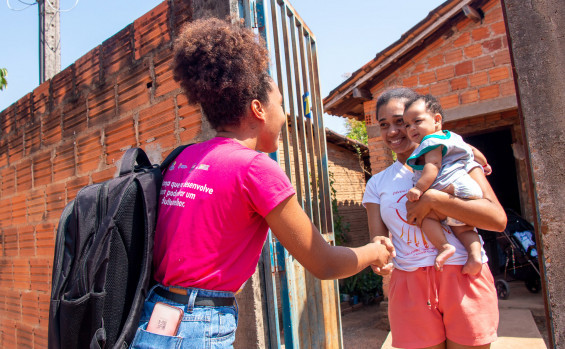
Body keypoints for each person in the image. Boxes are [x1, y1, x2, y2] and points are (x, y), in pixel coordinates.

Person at [130, 18, 393, 348]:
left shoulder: (182, 158)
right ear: (258, 109)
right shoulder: (255, 168)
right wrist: (374, 251)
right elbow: (323, 263)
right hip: (199, 324)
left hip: (155, 316)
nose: (284, 116)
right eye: (280, 105)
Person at [363, 87, 506, 349]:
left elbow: (497, 220)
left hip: (463, 275)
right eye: (385, 125)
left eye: (401, 122)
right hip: (409, 284)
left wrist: (434, 200)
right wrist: (377, 256)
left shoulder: (459, 163)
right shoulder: (377, 183)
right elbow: (379, 236)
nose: (394, 131)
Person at [403, 94, 492, 275]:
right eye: (407, 125)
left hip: (449, 186)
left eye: (417, 121)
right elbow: (473, 151)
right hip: (467, 187)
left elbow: (433, 166)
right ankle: (475, 256)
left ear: (437, 120)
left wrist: (419, 189)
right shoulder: (454, 138)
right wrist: (484, 165)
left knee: (426, 216)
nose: (411, 128)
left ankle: (444, 247)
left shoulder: (430, 141)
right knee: (463, 228)